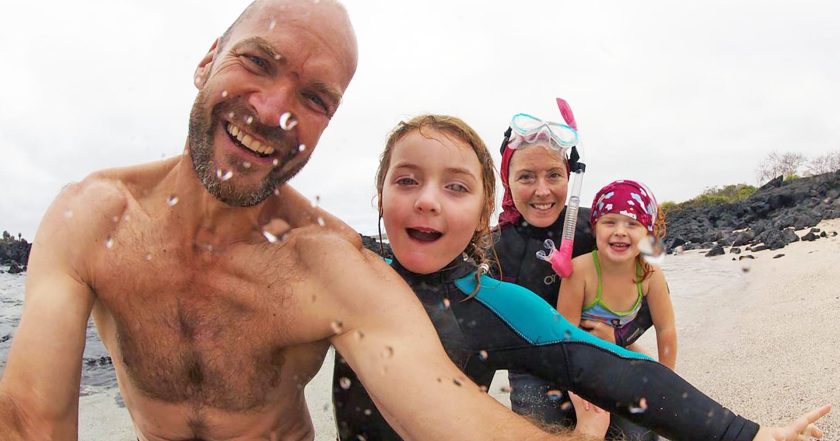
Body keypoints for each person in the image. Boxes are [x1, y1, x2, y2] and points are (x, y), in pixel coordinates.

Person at [0, 2, 599, 440]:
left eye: (314, 99)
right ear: (208, 60)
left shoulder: (328, 263)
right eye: (258, 62)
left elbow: (450, 417)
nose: (270, 111)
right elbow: (31, 416)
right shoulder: (92, 219)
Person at [332, 114, 830, 441]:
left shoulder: (575, 241)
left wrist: (747, 434)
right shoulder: (344, 277)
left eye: (456, 186)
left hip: (565, 348)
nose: (427, 200)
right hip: (529, 373)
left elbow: (624, 361)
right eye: (406, 180)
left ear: (481, 204)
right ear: (378, 195)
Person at [492, 107, 657, 439]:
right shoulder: (493, 249)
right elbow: (476, 338)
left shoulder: (598, 227)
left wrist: (619, 336)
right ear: (506, 181)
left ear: (570, 176)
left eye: (554, 175)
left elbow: (651, 291)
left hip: (601, 350)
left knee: (638, 434)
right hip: (533, 369)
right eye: (526, 177)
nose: (542, 191)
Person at [558, 179, 676, 440]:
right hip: (582, 356)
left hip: (619, 350)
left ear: (647, 232)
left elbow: (666, 328)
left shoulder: (650, 274)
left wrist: (668, 383)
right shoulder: (580, 270)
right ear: (595, 227)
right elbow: (562, 334)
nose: (620, 231)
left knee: (647, 422)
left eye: (632, 224)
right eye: (609, 222)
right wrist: (575, 386)